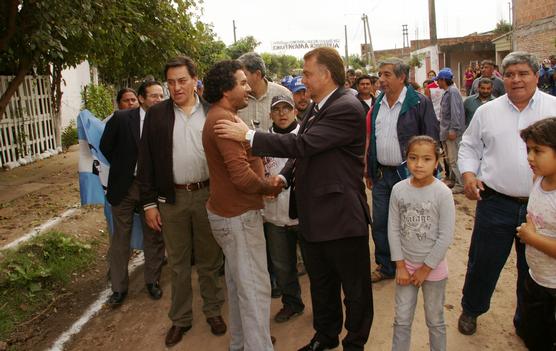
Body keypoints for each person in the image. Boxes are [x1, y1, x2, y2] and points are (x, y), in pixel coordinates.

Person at [215, 47, 373, 351]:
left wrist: (248, 137)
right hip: (313, 216)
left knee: (354, 290)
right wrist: (285, 177)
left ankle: (354, 342)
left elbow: (303, 143)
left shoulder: (347, 106)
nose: (303, 79)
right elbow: (306, 155)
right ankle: (325, 336)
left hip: (341, 216)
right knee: (321, 284)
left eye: (307, 73)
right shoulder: (317, 106)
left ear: (326, 75)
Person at [457, 51, 556, 336]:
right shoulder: (487, 111)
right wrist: (468, 174)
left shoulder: (553, 108)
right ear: (503, 77)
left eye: (523, 73)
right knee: (483, 262)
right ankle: (471, 309)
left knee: (533, 270)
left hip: (542, 208)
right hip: (495, 202)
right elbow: (469, 146)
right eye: (510, 74)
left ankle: (525, 321)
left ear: (537, 76)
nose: (516, 79)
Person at [137, 56, 226, 347]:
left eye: (182, 80)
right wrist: (149, 204)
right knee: (177, 264)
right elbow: (146, 160)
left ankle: (213, 310)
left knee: (210, 259)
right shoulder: (157, 115)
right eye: (171, 82)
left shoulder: (213, 111)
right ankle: (181, 319)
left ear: (195, 80)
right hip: (171, 199)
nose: (176, 87)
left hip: (208, 195)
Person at [201, 59, 282, 351]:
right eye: (242, 83)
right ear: (226, 90)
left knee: (239, 288)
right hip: (238, 217)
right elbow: (241, 177)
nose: (248, 88)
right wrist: (268, 186)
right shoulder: (223, 120)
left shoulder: (223, 116)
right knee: (255, 291)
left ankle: (240, 345)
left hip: (232, 215)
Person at [366, 58, 439, 283]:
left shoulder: (418, 102)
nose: (381, 79)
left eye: (387, 74)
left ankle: (415, 264)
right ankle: (386, 265)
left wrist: (430, 176)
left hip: (407, 175)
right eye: (380, 74)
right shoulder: (377, 103)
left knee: (411, 222)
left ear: (401, 77)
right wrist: (370, 170)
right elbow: (373, 139)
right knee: (380, 222)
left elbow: (431, 138)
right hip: (381, 176)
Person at [99, 80, 166, 307]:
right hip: (124, 187)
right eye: (154, 96)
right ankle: (118, 289)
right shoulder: (120, 119)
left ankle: (152, 281)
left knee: (154, 235)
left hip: (152, 188)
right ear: (141, 98)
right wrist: (124, 168)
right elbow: (106, 147)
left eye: (161, 95)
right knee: (121, 239)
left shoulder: (166, 120)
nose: (158, 100)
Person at [388, 135, 455, 351]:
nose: (418, 164)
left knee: (435, 320)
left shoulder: (442, 193)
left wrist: (426, 268)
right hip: (405, 268)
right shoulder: (398, 190)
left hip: (433, 269)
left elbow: (445, 235)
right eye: (413, 158)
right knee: (402, 319)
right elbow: (393, 228)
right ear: (406, 160)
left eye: (426, 159)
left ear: (437, 162)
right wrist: (400, 266)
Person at [261, 94, 307, 323]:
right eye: (276, 109)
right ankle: (292, 304)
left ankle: (325, 309)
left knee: (316, 266)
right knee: (282, 266)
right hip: (273, 214)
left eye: (286, 108)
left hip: (304, 215)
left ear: (295, 111)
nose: (282, 113)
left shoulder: (306, 136)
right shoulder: (262, 140)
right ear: (270, 114)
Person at [515, 117, 556, 350]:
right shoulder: (538, 180)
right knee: (535, 337)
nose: (530, 157)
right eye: (528, 150)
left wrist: (532, 238)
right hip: (536, 279)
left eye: (538, 151)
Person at [237, 52, 292, 131]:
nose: (240, 78)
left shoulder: (283, 94)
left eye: (244, 74)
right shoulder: (237, 96)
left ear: (258, 74)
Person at [435, 68, 465, 194]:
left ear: (443, 80)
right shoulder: (448, 92)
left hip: (451, 132)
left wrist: (453, 129)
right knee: (449, 159)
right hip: (446, 132)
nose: (437, 83)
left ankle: (461, 184)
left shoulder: (453, 92)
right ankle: (454, 180)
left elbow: (456, 112)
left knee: (454, 159)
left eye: (438, 81)